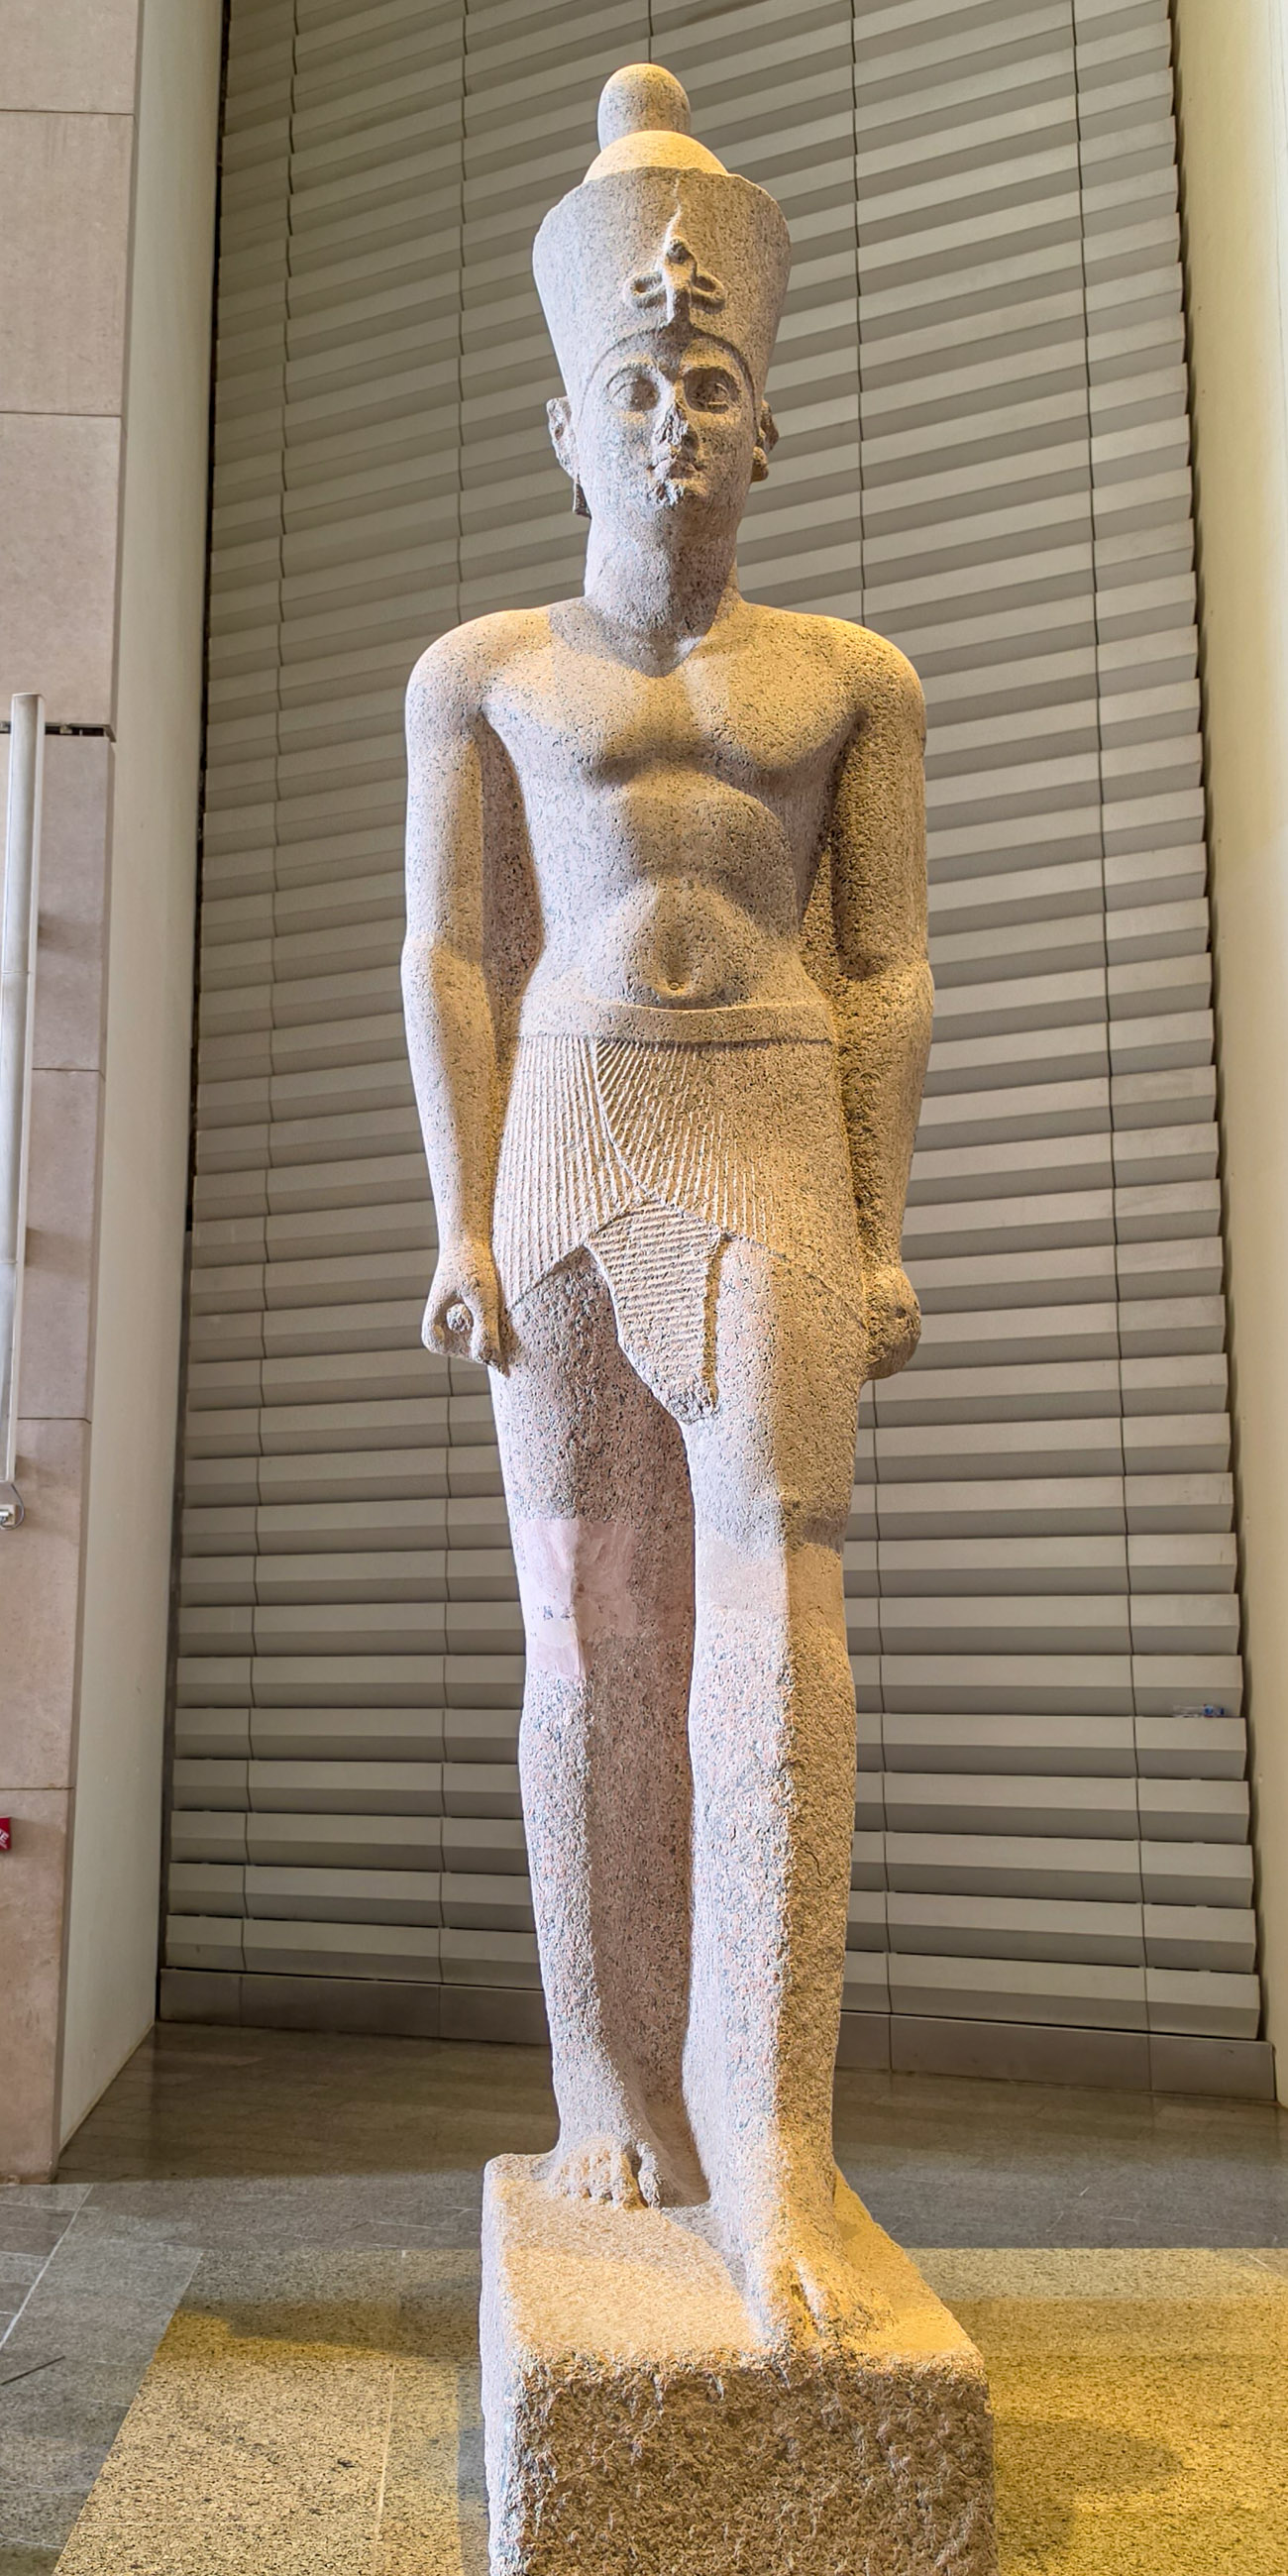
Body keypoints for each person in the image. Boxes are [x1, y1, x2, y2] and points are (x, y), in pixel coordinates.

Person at [401, 64, 931, 2350]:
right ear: (566, 427)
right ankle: (603, 2071)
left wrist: (879, 1226)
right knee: (588, 1621)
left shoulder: (847, 682)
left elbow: (885, 964)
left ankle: (771, 2123)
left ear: (762, 429)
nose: (671, 421)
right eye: (631, 388)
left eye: (706, 388)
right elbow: (449, 952)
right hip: (566, 1136)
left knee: (773, 1596)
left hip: (768, 1132)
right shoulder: (487, 675)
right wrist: (457, 1216)